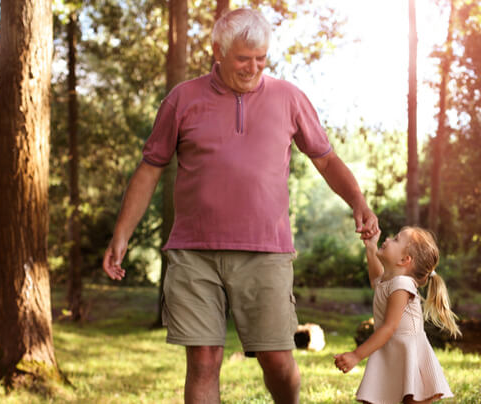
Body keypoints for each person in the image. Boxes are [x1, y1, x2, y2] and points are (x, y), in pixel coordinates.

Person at [101, 8, 378, 404]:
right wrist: (121, 234)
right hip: (194, 253)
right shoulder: (182, 99)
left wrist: (358, 202)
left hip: (266, 252)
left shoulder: (289, 98)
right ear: (218, 50)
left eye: (261, 59)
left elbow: (326, 159)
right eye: (243, 59)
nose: (253, 68)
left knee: (278, 360)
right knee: (204, 360)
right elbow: (150, 169)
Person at [334, 227, 460, 404]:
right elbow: (375, 280)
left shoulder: (402, 284)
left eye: (395, 239)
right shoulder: (388, 281)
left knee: (412, 398)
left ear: (404, 260)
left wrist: (356, 355)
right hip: (389, 348)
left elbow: (389, 327)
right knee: (375, 397)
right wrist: (371, 247)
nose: (387, 239)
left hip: (408, 351)